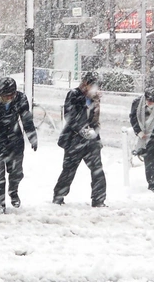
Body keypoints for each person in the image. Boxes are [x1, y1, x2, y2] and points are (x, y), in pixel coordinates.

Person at [0, 77, 38, 213]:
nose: (7, 98)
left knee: (16, 172)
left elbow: (26, 119)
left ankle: (13, 191)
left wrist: (32, 137)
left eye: (10, 95)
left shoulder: (21, 99)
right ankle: (0, 204)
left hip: (14, 141)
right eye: (4, 96)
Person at [53, 72, 107, 207]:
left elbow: (95, 119)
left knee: (97, 170)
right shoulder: (74, 94)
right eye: (93, 86)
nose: (95, 89)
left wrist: (95, 134)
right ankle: (58, 196)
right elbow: (69, 115)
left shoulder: (95, 99)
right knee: (69, 170)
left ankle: (98, 199)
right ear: (86, 84)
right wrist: (82, 129)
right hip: (74, 140)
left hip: (91, 141)